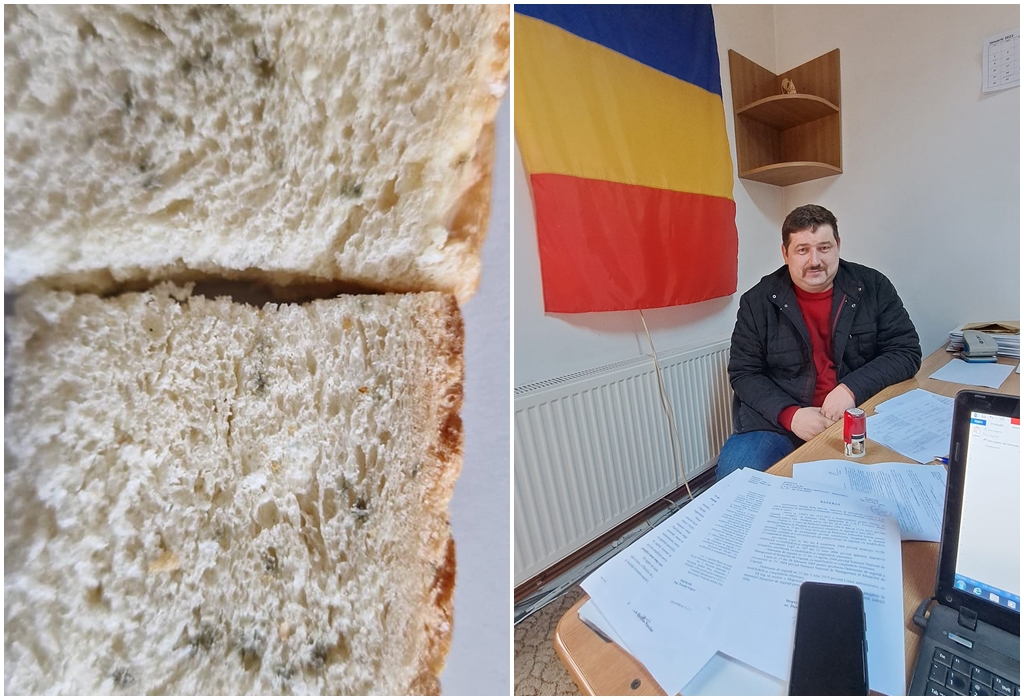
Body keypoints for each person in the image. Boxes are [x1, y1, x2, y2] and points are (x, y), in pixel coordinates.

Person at [717, 204, 922, 479]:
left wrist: (850, 389)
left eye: (824, 248)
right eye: (802, 250)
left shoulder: (874, 286)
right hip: (777, 424)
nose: (815, 260)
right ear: (785, 253)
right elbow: (744, 373)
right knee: (733, 487)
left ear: (838, 245)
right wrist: (791, 415)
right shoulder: (757, 301)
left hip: (861, 413)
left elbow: (906, 351)